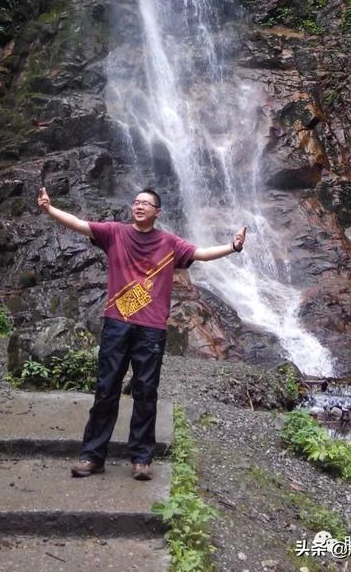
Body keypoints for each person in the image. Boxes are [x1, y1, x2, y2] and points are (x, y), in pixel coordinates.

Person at [37, 184, 247, 481]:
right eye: (135, 202)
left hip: (151, 328)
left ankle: (141, 458)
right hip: (116, 323)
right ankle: (92, 456)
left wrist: (233, 247)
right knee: (106, 389)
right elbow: (79, 224)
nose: (138, 206)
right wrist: (49, 209)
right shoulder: (114, 233)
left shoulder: (170, 242)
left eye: (145, 204)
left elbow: (200, 253)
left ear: (157, 212)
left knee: (146, 393)